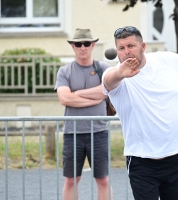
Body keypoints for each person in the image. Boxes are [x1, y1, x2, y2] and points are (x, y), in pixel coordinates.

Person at [102, 26, 178, 200]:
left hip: (176, 156)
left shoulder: (166, 60)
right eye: (121, 48)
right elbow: (108, 81)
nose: (127, 52)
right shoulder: (115, 75)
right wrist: (120, 73)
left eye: (131, 46)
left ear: (143, 46)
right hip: (141, 161)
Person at [55, 28, 112, 200]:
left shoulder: (103, 68)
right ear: (72, 46)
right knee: (71, 180)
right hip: (73, 133)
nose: (82, 47)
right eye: (78, 44)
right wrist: (94, 98)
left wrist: (78, 93)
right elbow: (64, 98)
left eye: (86, 43)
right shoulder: (65, 71)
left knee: (103, 180)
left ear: (92, 45)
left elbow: (107, 91)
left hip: (99, 132)